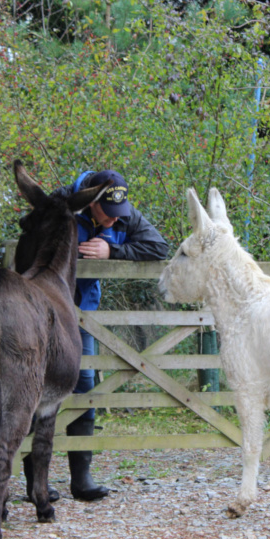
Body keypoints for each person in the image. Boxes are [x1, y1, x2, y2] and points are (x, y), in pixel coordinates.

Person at [25, 169, 169, 502]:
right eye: (107, 213)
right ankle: (34, 481)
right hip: (40, 312)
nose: (113, 220)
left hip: (82, 316)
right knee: (35, 386)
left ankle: (81, 478)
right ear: (91, 201)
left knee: (84, 383)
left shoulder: (122, 213)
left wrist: (112, 252)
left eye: (118, 214)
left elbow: (158, 246)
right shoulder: (59, 205)